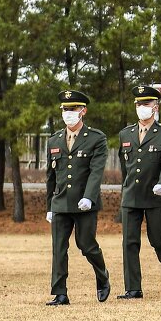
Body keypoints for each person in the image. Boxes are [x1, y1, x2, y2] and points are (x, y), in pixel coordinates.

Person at [45, 90, 110, 305]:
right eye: (65, 109)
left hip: (84, 203)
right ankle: (60, 293)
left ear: (83, 111)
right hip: (61, 202)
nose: (68, 113)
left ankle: (102, 276)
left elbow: (96, 170)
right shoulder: (54, 139)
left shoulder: (96, 138)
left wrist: (89, 197)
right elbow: (50, 176)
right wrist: (49, 206)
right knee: (59, 248)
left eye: (73, 109)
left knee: (86, 244)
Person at [116, 85, 161, 299]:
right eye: (139, 104)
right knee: (129, 242)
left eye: (146, 104)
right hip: (131, 195)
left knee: (158, 240)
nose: (142, 107)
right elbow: (126, 168)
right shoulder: (126, 133)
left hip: (155, 196)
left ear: (155, 107)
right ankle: (133, 288)